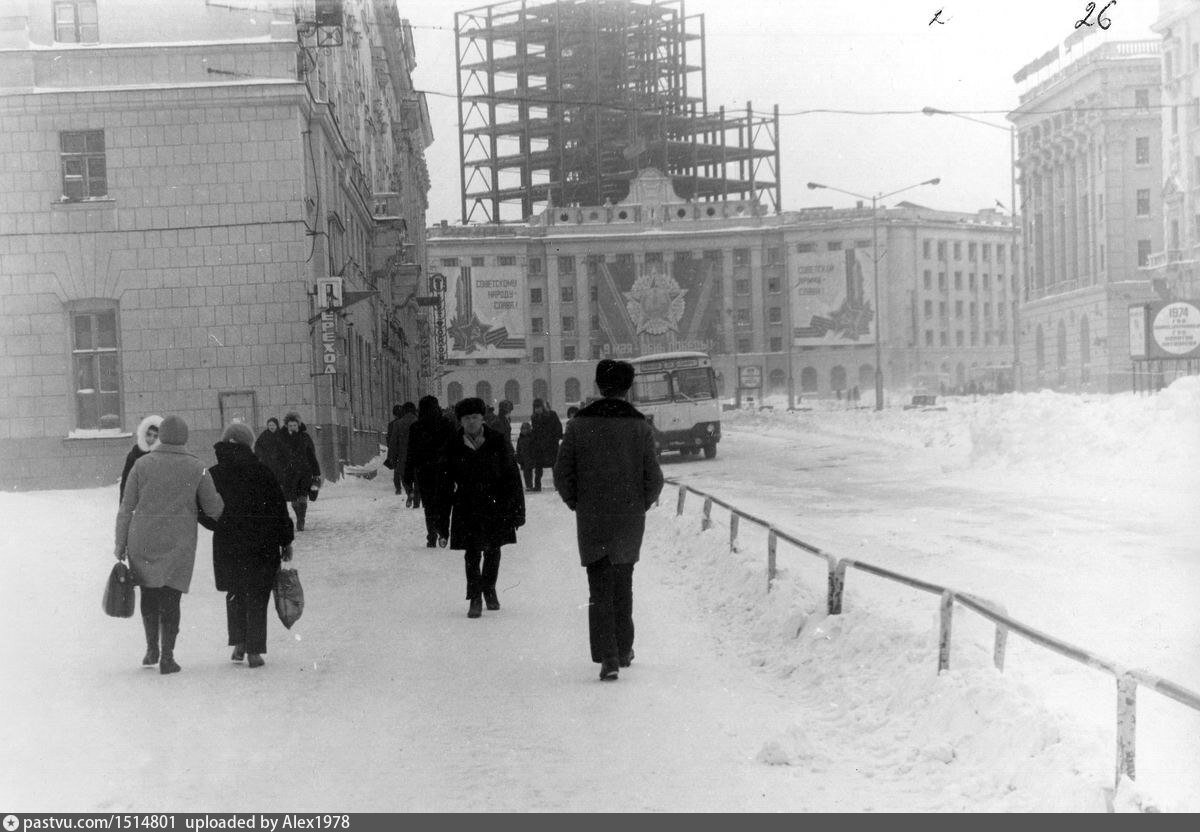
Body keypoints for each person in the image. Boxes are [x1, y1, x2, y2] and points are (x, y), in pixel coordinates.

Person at [553, 360, 664, 681]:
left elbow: (562, 474)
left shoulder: (577, 425)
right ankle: (624, 648)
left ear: (600, 387)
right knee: (623, 583)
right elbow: (654, 478)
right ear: (627, 389)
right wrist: (637, 505)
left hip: (593, 519)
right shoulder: (640, 426)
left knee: (599, 586)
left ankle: (609, 657)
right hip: (628, 519)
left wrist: (579, 504)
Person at [115, 415, 224, 675]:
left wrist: (120, 543)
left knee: (149, 593)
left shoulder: (142, 464)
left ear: (161, 435)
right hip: (179, 541)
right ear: (185, 436)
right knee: (171, 597)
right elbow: (215, 509)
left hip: (143, 539)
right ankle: (167, 657)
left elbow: (125, 508)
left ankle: (151, 647)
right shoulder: (197, 466)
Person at [198, 422, 294, 669]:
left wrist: (218, 524)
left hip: (228, 544)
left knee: (235, 592)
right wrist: (286, 540)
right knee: (257, 595)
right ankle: (254, 652)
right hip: (262, 545)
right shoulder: (263, 471)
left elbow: (201, 508)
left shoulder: (213, 474)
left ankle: (239, 644)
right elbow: (279, 508)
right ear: (249, 443)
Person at [439, 397, 525, 618]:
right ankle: (475, 596)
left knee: (493, 549)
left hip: (495, 504)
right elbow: (445, 484)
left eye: (475, 417)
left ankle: (489, 588)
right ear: (460, 421)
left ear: (482, 418)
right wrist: (441, 523)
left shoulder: (497, 440)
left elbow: (512, 476)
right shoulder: (453, 444)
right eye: (466, 418)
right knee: (472, 552)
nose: (471, 422)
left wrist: (517, 511)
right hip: (466, 505)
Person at [404, 395, 453, 547]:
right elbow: (454, 450)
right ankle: (444, 533)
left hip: (425, 472)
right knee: (444, 503)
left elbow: (411, 453)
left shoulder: (416, 427)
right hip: (445, 471)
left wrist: (408, 475)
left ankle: (431, 535)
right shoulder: (447, 424)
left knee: (430, 505)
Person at [277, 411, 321, 531]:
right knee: (293, 499)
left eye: (295, 425)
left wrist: (316, 473)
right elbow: (278, 457)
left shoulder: (305, 437)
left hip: (304, 471)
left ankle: (301, 519)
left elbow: (311, 455)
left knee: (302, 496)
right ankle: (298, 516)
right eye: (290, 426)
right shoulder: (282, 439)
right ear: (287, 426)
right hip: (289, 474)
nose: (293, 428)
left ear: (298, 425)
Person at [119, 414, 162, 502]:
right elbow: (125, 483)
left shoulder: (162, 455)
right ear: (143, 433)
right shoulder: (134, 455)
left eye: (155, 436)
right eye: (149, 434)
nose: (151, 439)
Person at [385, 402, 418, 504]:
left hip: (403, 457)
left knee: (405, 478)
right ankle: (416, 501)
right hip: (418, 457)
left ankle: (410, 492)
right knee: (417, 479)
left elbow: (393, 442)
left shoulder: (398, 424)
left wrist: (391, 458)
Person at [528, 397, 563, 491]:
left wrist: (555, 439)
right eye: (535, 408)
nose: (537, 409)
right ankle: (537, 486)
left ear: (542, 407)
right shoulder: (534, 417)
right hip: (540, 446)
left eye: (538, 407)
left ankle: (558, 485)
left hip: (551, 445)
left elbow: (558, 427)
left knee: (554, 466)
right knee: (538, 467)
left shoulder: (552, 414)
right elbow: (535, 431)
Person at [254, 417, 286, 489]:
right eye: (270, 425)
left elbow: (285, 447)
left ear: (277, 425)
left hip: (279, 462)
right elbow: (257, 446)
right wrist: (261, 456)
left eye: (273, 425)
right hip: (267, 461)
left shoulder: (281, 435)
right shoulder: (264, 435)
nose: (271, 427)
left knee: (280, 479)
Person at [516, 421, 535, 491]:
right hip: (523, 458)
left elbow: (533, 448)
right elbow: (518, 448)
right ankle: (528, 485)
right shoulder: (520, 438)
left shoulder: (531, 438)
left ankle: (529, 485)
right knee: (526, 473)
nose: (524, 430)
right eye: (522, 429)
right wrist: (518, 457)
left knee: (528, 472)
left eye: (525, 429)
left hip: (529, 457)